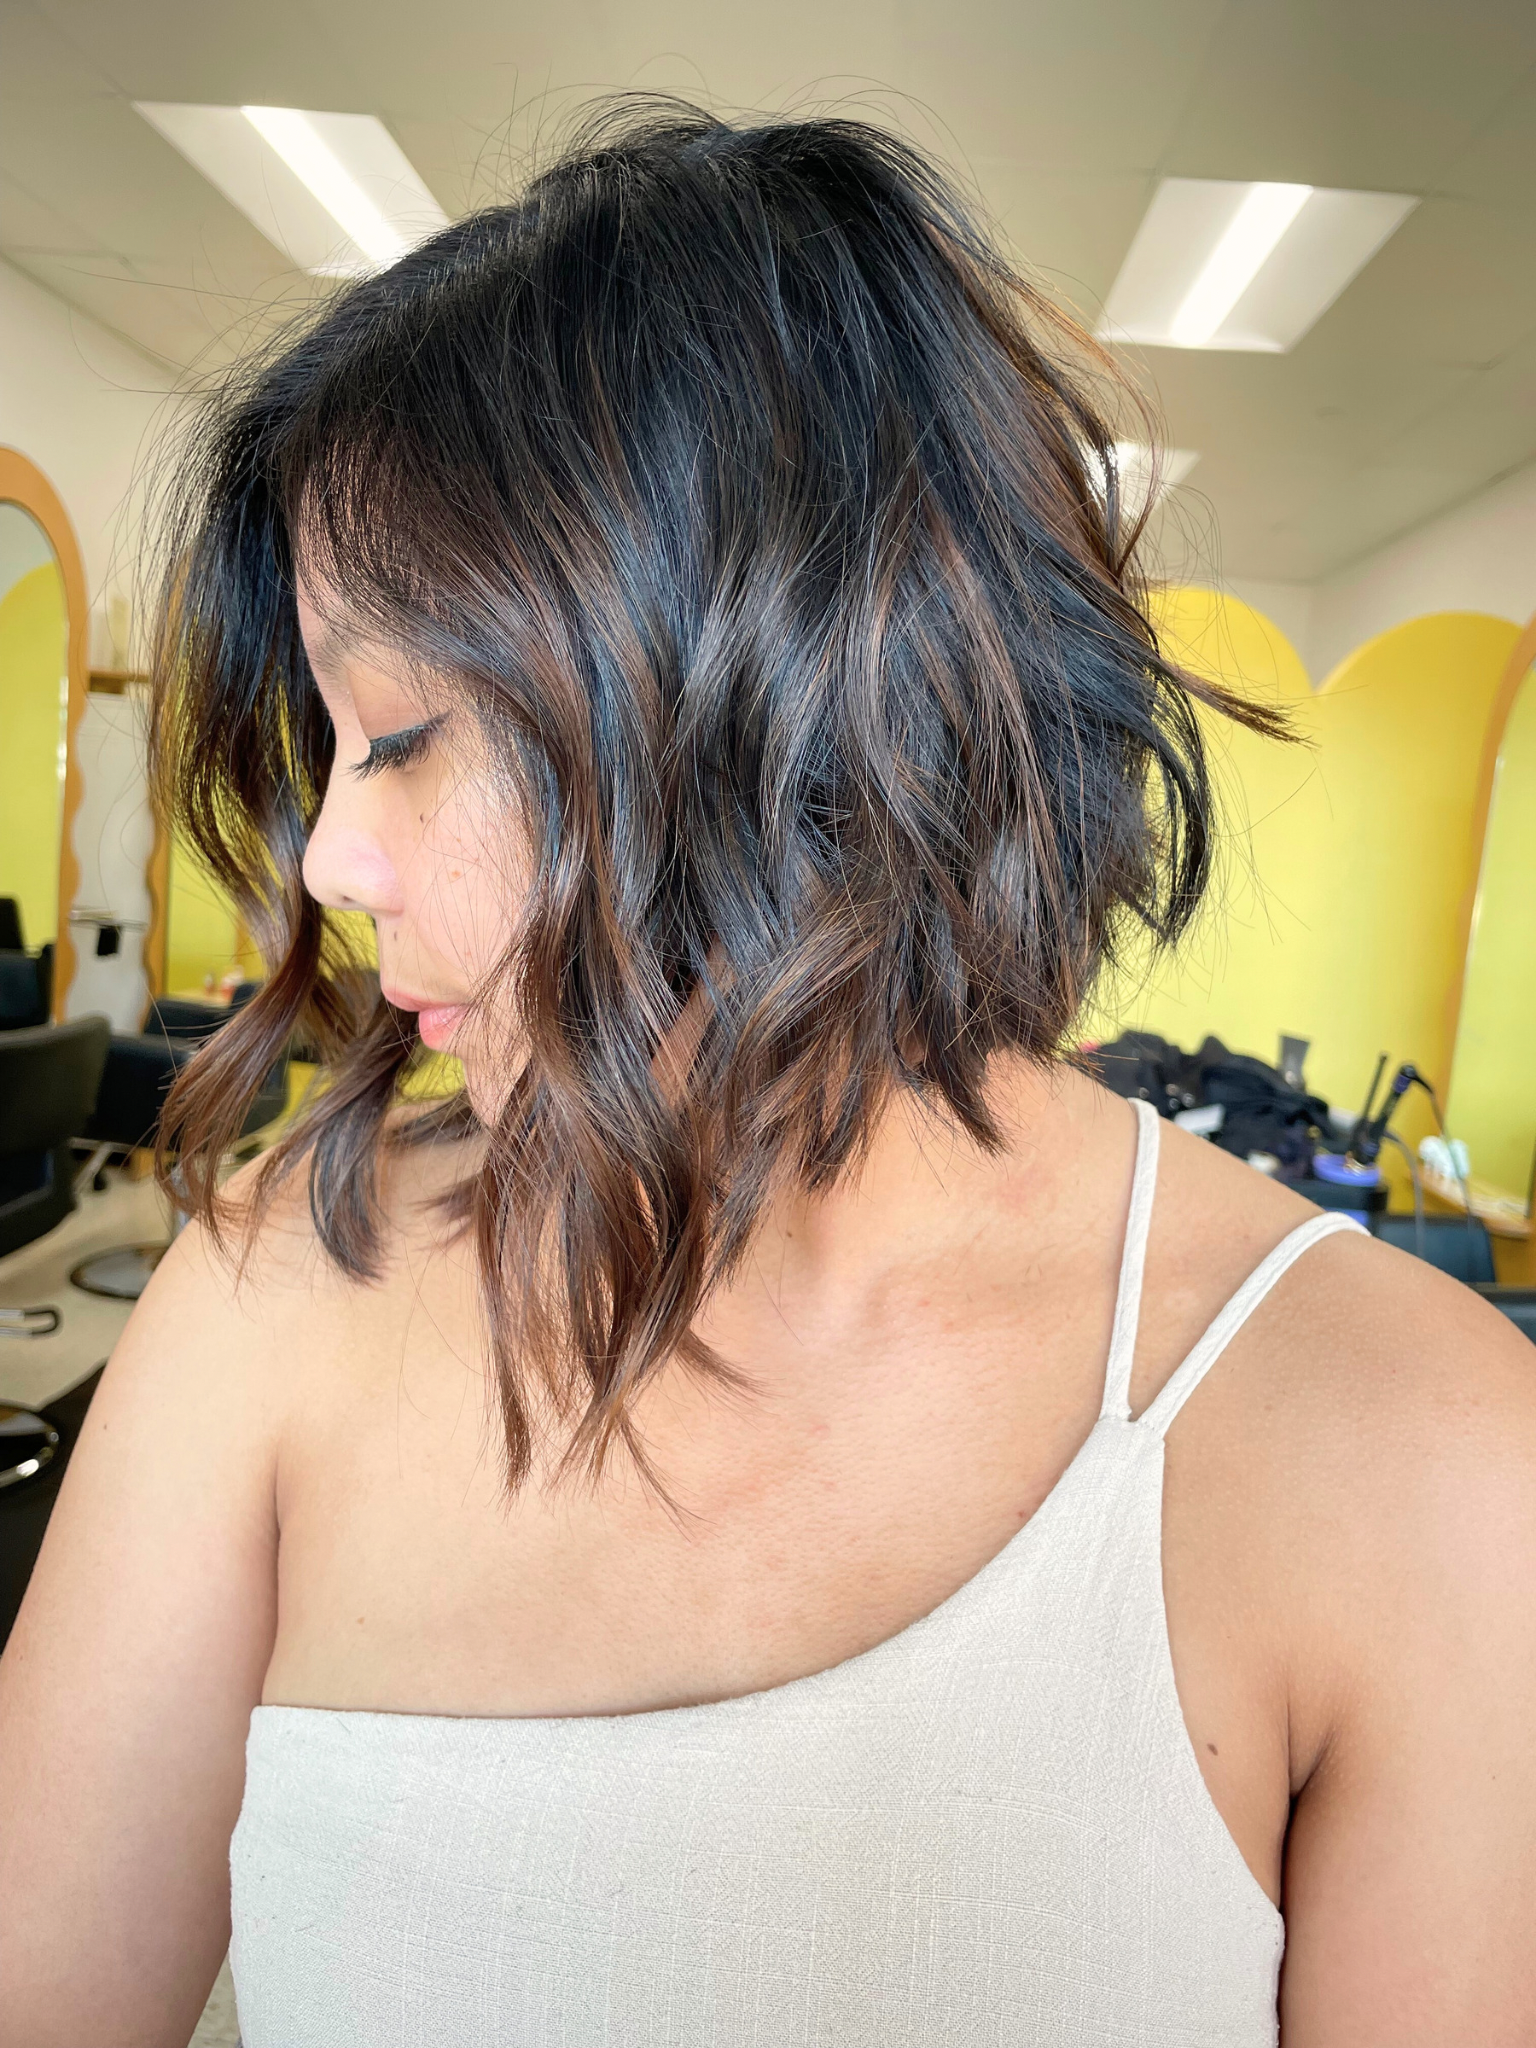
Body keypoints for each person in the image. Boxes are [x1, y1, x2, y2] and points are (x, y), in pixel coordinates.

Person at [2, 103, 1532, 2048]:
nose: (325, 859)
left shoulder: (1420, 1451)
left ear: (792, 704)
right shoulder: (273, 1299)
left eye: (400, 733)